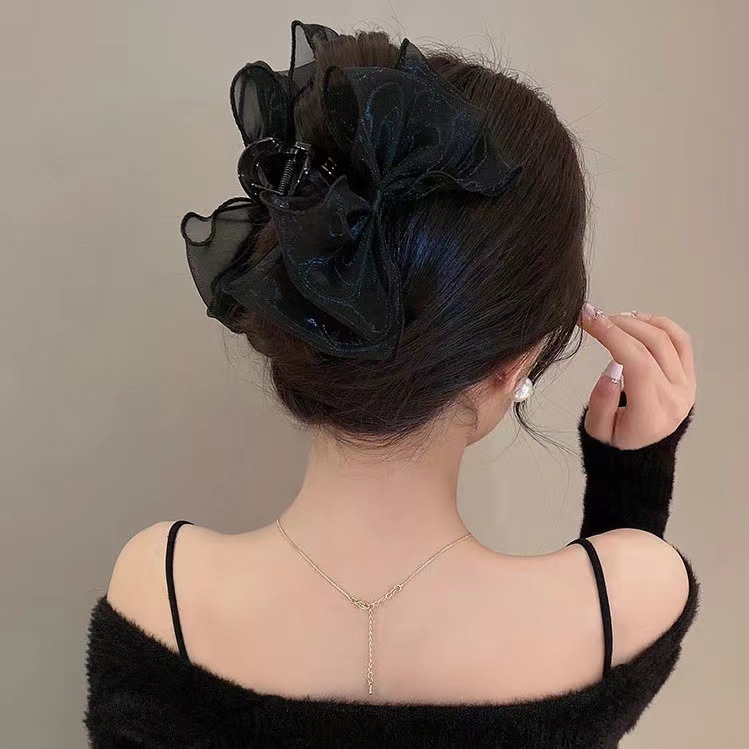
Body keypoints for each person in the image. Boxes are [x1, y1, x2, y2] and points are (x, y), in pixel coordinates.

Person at [84, 20, 699, 748]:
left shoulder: (160, 589)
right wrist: (632, 478)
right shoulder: (626, 599)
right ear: (512, 364)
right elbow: (613, 620)